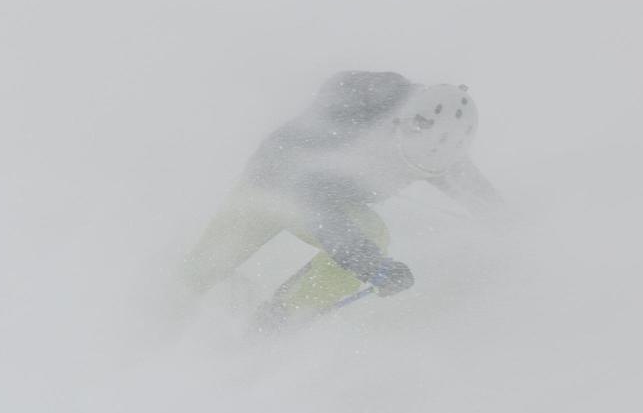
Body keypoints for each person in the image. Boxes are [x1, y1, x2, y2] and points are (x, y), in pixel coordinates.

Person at [181, 70, 502, 330]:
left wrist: (508, 220)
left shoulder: (436, 135)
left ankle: (277, 320)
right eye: (406, 163)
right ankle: (156, 318)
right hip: (273, 184)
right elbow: (311, 203)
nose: (408, 171)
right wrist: (372, 267)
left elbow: (468, 186)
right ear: (400, 127)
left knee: (372, 236)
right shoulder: (354, 120)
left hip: (330, 199)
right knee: (202, 269)